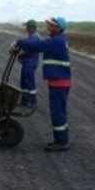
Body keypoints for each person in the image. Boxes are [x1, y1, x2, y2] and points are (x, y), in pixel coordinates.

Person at [11, 16, 71, 152]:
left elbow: (36, 46)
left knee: (57, 112)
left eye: (51, 25)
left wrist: (18, 42)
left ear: (58, 28)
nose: (48, 27)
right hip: (58, 82)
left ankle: (61, 142)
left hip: (59, 83)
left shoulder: (57, 42)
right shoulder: (58, 40)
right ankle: (62, 139)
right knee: (59, 111)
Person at [18, 19, 41, 108]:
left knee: (29, 82)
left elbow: (30, 49)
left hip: (31, 63)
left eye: (27, 27)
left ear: (31, 27)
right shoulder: (31, 36)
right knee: (24, 82)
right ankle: (24, 100)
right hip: (27, 62)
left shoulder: (35, 37)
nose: (26, 28)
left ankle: (32, 101)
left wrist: (21, 55)